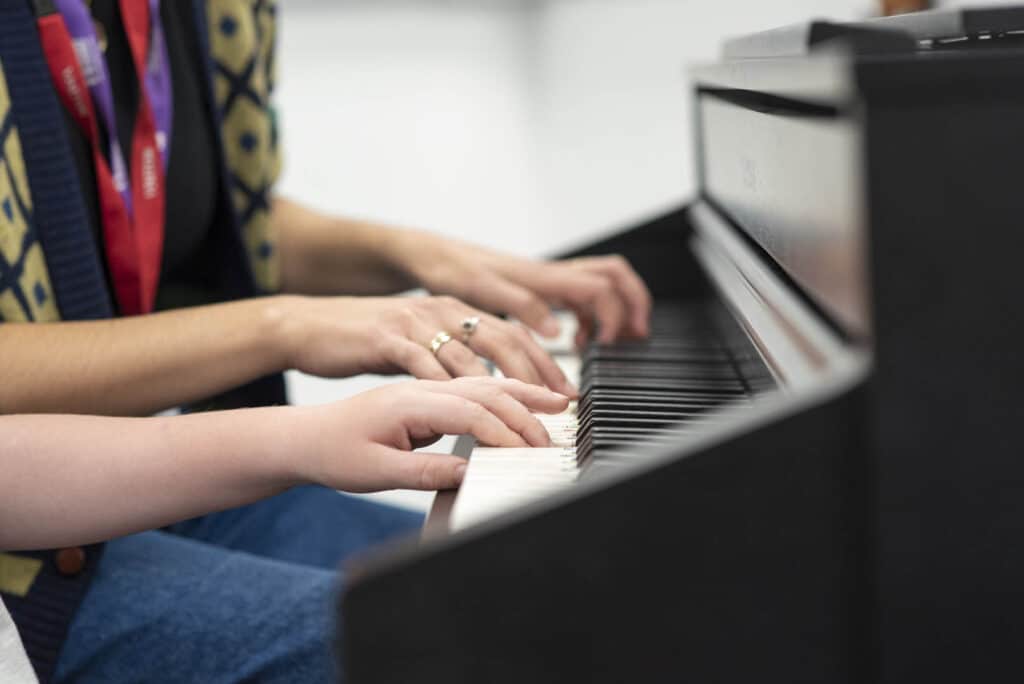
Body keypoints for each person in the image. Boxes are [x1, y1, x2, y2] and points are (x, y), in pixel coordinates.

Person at [0, 0, 651, 681]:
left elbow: (217, 223)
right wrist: (286, 334)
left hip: (147, 480)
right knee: (479, 639)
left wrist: (421, 256)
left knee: (570, 590)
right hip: (37, 548)